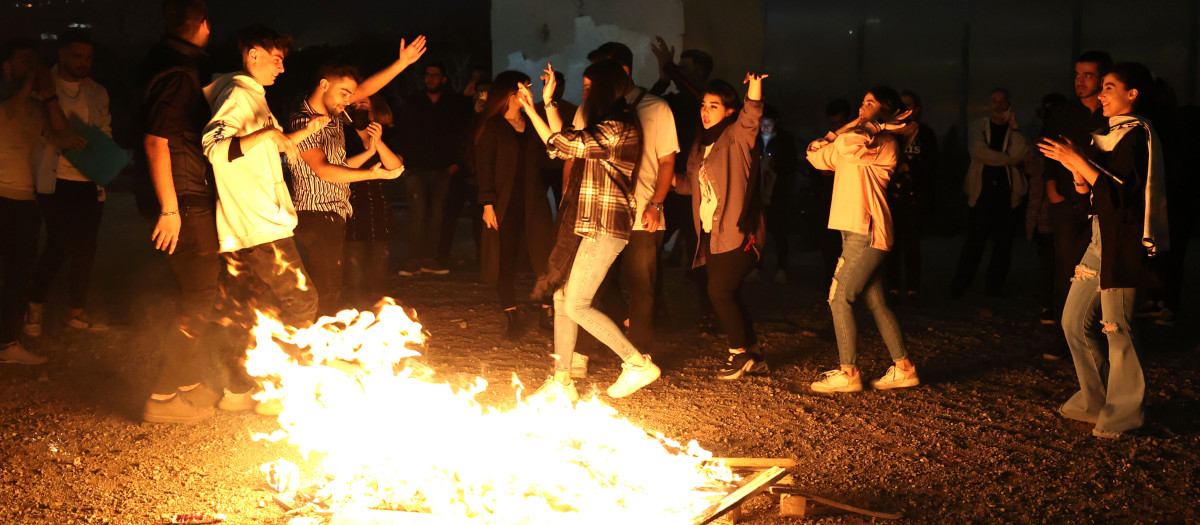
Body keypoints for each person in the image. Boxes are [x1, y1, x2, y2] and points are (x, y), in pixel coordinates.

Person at [1038, 62, 1166, 439]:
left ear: (1132, 94)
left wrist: (1078, 161)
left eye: (1110, 87)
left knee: (1117, 327)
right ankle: (1096, 399)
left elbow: (1123, 196)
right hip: (1100, 236)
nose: (1102, 94)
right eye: (1102, 87)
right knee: (1073, 321)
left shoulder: (1138, 135)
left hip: (1125, 240)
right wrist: (1075, 169)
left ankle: (1125, 411)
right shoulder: (1108, 135)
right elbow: (1092, 192)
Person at [201, 26, 323, 417]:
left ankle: (238, 390)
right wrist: (271, 132)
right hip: (259, 225)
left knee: (245, 310)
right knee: (300, 300)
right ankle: (279, 388)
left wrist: (296, 134)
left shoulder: (250, 95)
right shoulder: (238, 95)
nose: (282, 68)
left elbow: (260, 150)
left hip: (244, 228)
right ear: (253, 55)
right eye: (276, 58)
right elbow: (214, 147)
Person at [521, 61, 659, 402]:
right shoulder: (607, 127)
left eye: (588, 88)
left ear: (602, 91)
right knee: (562, 297)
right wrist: (545, 103)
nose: (584, 93)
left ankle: (637, 363)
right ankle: (562, 382)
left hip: (605, 226)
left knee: (577, 304)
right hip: (590, 224)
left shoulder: (617, 128)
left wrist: (537, 109)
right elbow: (564, 142)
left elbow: (564, 145)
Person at [136, 0, 229, 423]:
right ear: (203, 24)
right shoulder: (180, 73)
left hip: (183, 195)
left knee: (192, 291)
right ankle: (161, 397)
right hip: (185, 198)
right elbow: (157, 140)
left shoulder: (164, 61)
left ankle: (187, 383)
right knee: (200, 295)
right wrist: (171, 208)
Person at [287, 43, 423, 316]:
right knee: (324, 290)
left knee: (330, 289)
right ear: (324, 84)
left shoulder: (333, 111)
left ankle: (316, 344)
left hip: (334, 213)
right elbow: (323, 171)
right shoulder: (303, 120)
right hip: (315, 216)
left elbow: (368, 89)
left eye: (350, 94)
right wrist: (371, 175)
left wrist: (403, 63)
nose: (348, 99)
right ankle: (312, 348)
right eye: (344, 93)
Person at [806, 86, 919, 393]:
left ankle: (848, 373)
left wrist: (875, 125)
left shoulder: (883, 143)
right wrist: (857, 125)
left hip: (866, 232)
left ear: (886, 114)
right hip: (856, 231)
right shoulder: (855, 139)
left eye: (870, 104)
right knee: (878, 302)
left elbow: (846, 145)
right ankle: (904, 368)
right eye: (863, 102)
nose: (862, 107)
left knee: (838, 297)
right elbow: (815, 155)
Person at [578, 42, 679, 350]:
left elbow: (667, 160)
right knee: (590, 285)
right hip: (602, 213)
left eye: (600, 74)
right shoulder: (591, 110)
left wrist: (656, 204)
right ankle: (585, 350)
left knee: (642, 288)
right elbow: (575, 155)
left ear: (621, 72)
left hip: (641, 214)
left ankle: (640, 355)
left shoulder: (656, 108)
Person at [672, 74, 768, 380]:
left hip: (737, 231)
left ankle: (738, 353)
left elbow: (752, 115)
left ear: (729, 111)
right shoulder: (700, 145)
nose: (705, 110)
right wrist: (667, 180)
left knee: (719, 292)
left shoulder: (735, 137)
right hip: (710, 234)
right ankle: (752, 353)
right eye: (703, 105)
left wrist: (754, 84)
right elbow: (692, 186)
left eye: (714, 105)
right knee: (730, 293)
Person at [24, 29, 111, 337]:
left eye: (88, 57)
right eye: (77, 55)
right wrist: (61, 139)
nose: (84, 62)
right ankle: (34, 305)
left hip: (88, 181)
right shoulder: (42, 86)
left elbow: (105, 130)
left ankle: (75, 311)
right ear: (61, 53)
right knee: (59, 244)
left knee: (86, 248)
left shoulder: (97, 91)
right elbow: (31, 129)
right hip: (54, 178)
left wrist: (97, 147)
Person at [0, 38, 79, 366]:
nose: (30, 69)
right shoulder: (7, 100)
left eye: (35, 63)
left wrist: (48, 96)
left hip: (23, 199)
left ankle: (8, 343)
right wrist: (33, 82)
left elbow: (59, 131)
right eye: (23, 61)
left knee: (18, 274)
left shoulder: (33, 105)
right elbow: (8, 111)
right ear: (7, 66)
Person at [1039, 51, 1111, 359]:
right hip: (1067, 203)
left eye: (1088, 75)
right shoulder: (1064, 113)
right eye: (1077, 75)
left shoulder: (1110, 115)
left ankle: (1098, 336)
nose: (1080, 81)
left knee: (1103, 271)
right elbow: (1046, 153)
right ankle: (1062, 338)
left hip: (1103, 202)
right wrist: (1052, 189)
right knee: (1065, 269)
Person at [474, 71, 554, 340]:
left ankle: (548, 311)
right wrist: (487, 203)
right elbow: (485, 166)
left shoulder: (532, 123)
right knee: (504, 259)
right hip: (505, 203)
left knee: (544, 254)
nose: (528, 92)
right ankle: (511, 315)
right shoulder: (494, 126)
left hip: (533, 200)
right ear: (511, 93)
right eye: (524, 88)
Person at [395, 61, 471, 276]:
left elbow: (462, 134)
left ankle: (431, 258)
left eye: (435, 75)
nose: (431, 79)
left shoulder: (453, 103)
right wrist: (404, 162)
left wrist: (456, 163)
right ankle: (414, 258)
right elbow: (402, 131)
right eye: (428, 75)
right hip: (416, 167)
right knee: (417, 214)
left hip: (443, 168)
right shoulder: (414, 101)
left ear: (443, 79)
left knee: (437, 214)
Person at [950, 88, 1028, 298]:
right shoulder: (978, 126)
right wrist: (1010, 158)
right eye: (994, 101)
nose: (998, 105)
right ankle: (959, 287)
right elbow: (978, 152)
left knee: (1003, 247)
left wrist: (1016, 129)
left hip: (1007, 195)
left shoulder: (1015, 131)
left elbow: (1022, 152)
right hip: (982, 194)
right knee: (974, 243)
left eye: (1002, 101)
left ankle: (993, 290)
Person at [343, 95, 401, 308]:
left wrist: (378, 142)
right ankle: (357, 311)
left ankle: (379, 313)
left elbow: (395, 168)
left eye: (364, 105)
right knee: (355, 268)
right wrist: (368, 152)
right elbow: (340, 167)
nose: (359, 108)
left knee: (379, 267)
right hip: (351, 207)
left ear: (374, 110)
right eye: (355, 105)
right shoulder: (344, 134)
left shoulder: (387, 134)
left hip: (378, 207)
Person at [884, 89, 939, 303]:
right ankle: (893, 287)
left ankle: (913, 287)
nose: (905, 110)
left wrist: (911, 168)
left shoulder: (925, 134)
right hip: (891, 195)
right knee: (892, 243)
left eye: (909, 106)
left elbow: (933, 163)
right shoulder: (890, 133)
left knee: (912, 243)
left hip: (915, 195)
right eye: (902, 105)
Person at [1027, 93, 1070, 326]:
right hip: (1044, 208)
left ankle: (1057, 306)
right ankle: (1049, 305)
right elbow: (1033, 171)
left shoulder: (1065, 140)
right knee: (1048, 261)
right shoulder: (1040, 142)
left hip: (1061, 207)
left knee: (1060, 260)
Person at [756, 104, 799, 284]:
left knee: (780, 231)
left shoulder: (784, 139)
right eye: (762, 122)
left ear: (775, 122)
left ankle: (781, 269)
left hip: (778, 192)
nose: (765, 126)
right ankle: (757, 267)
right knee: (758, 231)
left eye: (768, 123)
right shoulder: (754, 138)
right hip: (757, 191)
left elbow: (792, 164)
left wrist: (776, 165)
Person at [534, 70, 577, 206]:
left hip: (562, 165)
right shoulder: (535, 109)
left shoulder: (572, 110)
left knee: (563, 203)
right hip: (540, 165)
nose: (557, 90)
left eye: (560, 86)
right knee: (537, 204)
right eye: (555, 86)